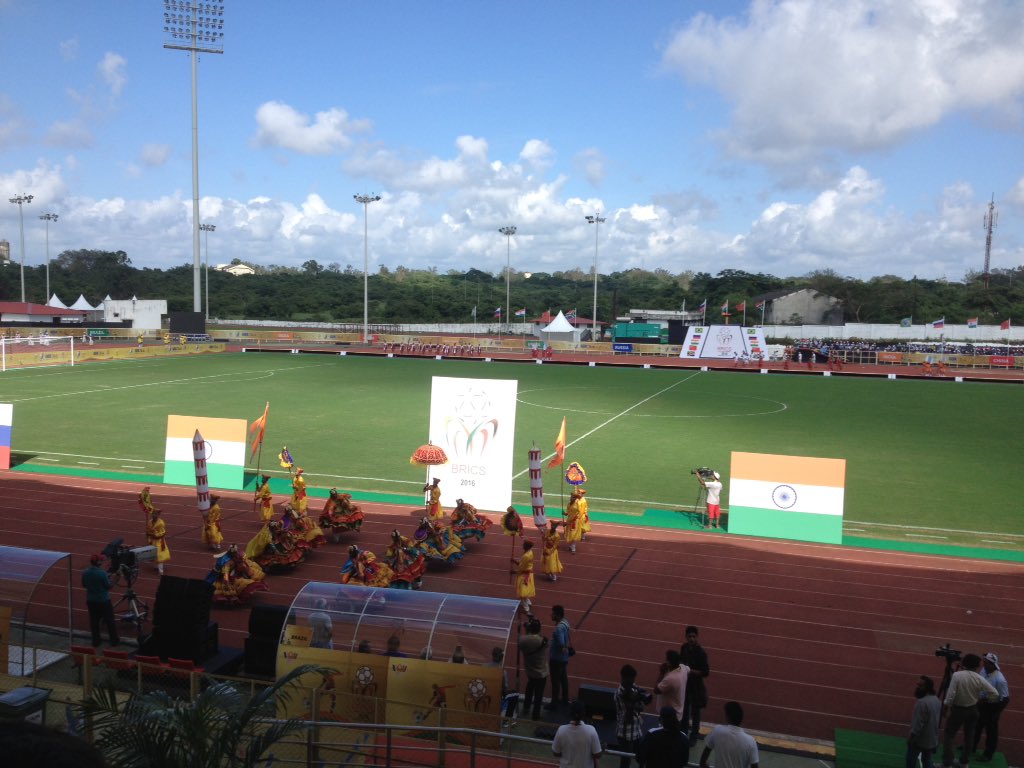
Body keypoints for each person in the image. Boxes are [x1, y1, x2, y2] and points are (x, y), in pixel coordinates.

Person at [941, 653, 998, 768]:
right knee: (969, 736)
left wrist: (946, 707)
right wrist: (981, 700)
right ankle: (964, 763)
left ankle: (947, 763)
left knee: (949, 735)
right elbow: (995, 693)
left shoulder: (957, 675)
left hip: (958, 710)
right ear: (977, 666)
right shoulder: (979, 678)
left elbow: (950, 695)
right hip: (973, 710)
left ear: (964, 664)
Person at [973, 652, 1010, 763]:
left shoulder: (1000, 680)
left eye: (986, 663)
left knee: (991, 732)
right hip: (981, 704)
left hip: (992, 707)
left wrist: (995, 713)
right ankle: (971, 746)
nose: (984, 664)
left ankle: (988, 754)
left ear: (993, 664)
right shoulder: (984, 671)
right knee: (976, 726)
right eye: (984, 662)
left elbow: (1005, 698)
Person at [699, 701, 759, 768]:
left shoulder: (717, 730)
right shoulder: (751, 741)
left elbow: (703, 761)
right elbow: (755, 766)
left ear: (727, 717)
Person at [614, 664, 650, 768]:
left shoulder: (633, 687)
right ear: (624, 678)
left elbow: (641, 707)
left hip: (637, 729)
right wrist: (633, 703)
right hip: (625, 732)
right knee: (626, 761)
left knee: (642, 757)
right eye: (631, 680)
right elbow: (628, 719)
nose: (633, 682)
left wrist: (637, 699)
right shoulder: (619, 694)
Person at [680, 625, 711, 743]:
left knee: (695, 712)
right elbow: (681, 662)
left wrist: (690, 671)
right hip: (685, 684)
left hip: (696, 686)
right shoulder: (684, 648)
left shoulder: (701, 653)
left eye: (693, 636)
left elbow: (705, 672)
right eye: (689, 636)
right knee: (684, 710)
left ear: (697, 637)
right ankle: (683, 733)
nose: (691, 639)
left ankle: (694, 736)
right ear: (686, 637)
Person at [82, 554, 120, 647]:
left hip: (91, 600)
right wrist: (116, 579)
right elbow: (109, 586)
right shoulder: (102, 573)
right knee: (110, 621)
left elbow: (84, 585)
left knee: (94, 621)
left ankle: (96, 641)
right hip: (103, 601)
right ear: (99, 562)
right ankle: (114, 641)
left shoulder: (85, 572)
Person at [552, 700, 602, 768]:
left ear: (570, 713)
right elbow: (598, 754)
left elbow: (556, 753)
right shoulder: (591, 730)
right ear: (584, 713)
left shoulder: (561, 730)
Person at [518, 615, 549, 720]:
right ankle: (536, 715)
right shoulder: (542, 640)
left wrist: (527, 631)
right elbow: (545, 642)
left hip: (530, 671)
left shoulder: (522, 640)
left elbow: (522, 643)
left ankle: (526, 707)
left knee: (529, 689)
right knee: (538, 694)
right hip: (541, 672)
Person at [907, 675, 941, 768]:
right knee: (927, 760)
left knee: (911, 759)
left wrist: (911, 737)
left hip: (920, 739)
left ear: (927, 687)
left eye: (920, 685)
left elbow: (918, 724)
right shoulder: (936, 700)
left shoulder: (922, 703)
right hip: (931, 738)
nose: (917, 687)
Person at [547, 604, 573, 710]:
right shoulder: (565, 622)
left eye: (553, 613)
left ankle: (554, 703)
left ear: (557, 615)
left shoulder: (559, 628)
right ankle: (565, 699)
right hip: (564, 658)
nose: (551, 615)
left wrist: (554, 644)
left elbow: (561, 642)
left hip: (557, 659)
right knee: (563, 679)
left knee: (555, 681)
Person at [655, 649, 689, 724]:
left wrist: (661, 673)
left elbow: (656, 690)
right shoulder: (683, 668)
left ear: (669, 663)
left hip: (668, 716)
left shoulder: (670, 678)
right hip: (678, 712)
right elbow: (688, 669)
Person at [510, 539, 536, 615]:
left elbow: (521, 569)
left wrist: (514, 572)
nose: (522, 546)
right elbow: (522, 564)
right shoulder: (530, 552)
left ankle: (526, 609)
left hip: (524, 576)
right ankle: (528, 602)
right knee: (524, 591)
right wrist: (514, 561)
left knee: (522, 593)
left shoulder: (526, 556)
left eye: (524, 545)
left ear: (527, 546)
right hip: (528, 574)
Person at [146, 507, 170, 575]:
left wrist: (155, 535)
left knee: (160, 555)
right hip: (152, 541)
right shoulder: (150, 522)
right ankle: (157, 567)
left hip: (159, 541)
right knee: (154, 554)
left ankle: (161, 571)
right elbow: (149, 531)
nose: (154, 515)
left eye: (155, 514)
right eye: (153, 514)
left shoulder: (161, 523)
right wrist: (148, 534)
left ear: (158, 515)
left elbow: (163, 533)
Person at [563, 489, 585, 554]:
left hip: (575, 522)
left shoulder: (578, 504)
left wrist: (574, 519)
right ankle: (570, 546)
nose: (571, 498)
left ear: (575, 498)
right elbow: (568, 512)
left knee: (573, 534)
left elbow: (580, 513)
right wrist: (564, 513)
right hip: (569, 520)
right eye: (571, 497)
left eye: (572, 497)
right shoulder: (569, 504)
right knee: (569, 534)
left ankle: (573, 548)